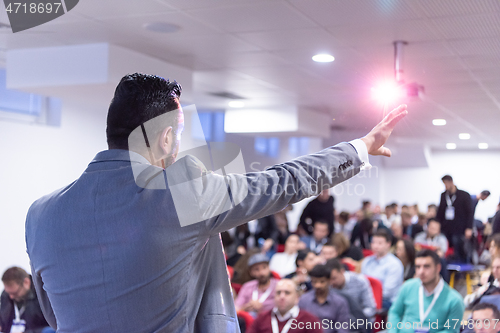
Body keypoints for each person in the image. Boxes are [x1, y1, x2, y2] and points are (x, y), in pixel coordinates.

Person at [25, 73, 408, 333]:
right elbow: (281, 183)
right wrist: (359, 149)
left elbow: (50, 311)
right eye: (179, 135)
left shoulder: (40, 214)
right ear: (163, 139)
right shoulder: (179, 192)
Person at [387, 249, 465, 333]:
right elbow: (394, 312)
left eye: (426, 266)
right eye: (418, 267)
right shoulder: (407, 287)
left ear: (438, 268)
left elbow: (451, 331)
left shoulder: (454, 300)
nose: (421, 271)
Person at [247, 279, 323, 333]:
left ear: (296, 297)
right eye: (278, 293)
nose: (282, 296)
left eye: (287, 293)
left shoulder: (309, 320)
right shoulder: (262, 318)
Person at [298, 265, 352, 333]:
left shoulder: (340, 302)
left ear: (329, 281)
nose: (318, 285)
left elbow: (343, 328)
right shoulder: (304, 300)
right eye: (314, 282)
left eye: (322, 282)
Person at [0, 267, 54, 333]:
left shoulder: (43, 295)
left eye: (15, 293)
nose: (11, 297)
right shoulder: (6, 295)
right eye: (8, 293)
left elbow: (51, 326)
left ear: (26, 282)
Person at [361, 230, 404, 310]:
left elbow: (386, 293)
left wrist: (365, 296)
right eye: (373, 243)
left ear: (388, 244)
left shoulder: (394, 264)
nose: (375, 246)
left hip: (387, 302)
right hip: (367, 298)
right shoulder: (367, 261)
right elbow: (361, 283)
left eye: (380, 243)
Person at [437, 175, 473, 262]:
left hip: (460, 228)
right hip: (446, 228)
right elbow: (440, 212)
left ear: (451, 182)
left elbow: (470, 213)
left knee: (459, 248)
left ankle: (460, 267)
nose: (445, 186)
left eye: (446, 183)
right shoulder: (443, 195)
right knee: (446, 248)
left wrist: (469, 228)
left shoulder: (464, 195)